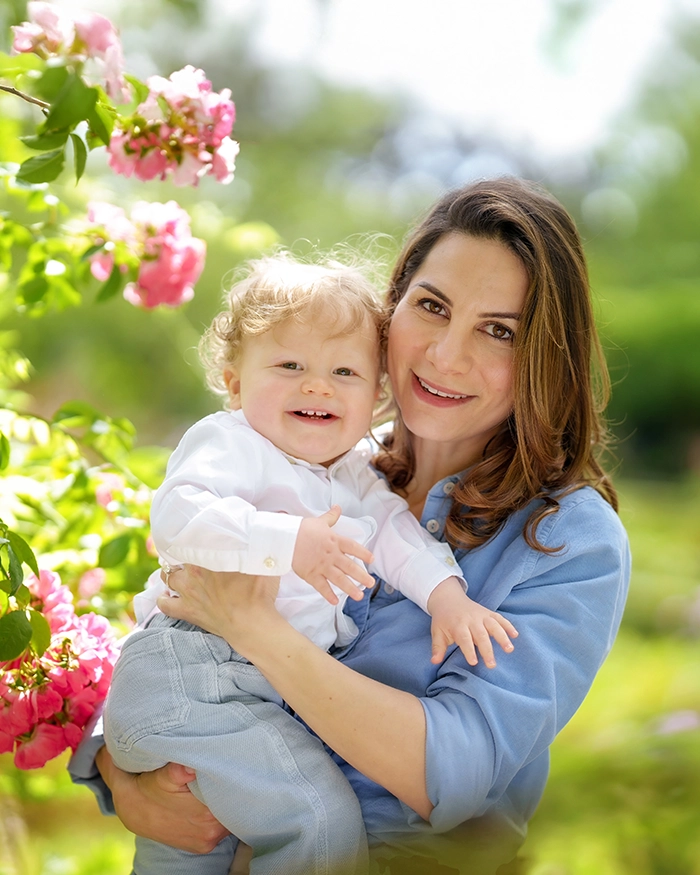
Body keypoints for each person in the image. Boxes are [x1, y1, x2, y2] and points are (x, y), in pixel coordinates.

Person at [70, 177, 631, 874]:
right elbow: (178, 608)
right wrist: (123, 773)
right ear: (388, 312)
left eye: (498, 330)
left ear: (544, 354)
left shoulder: (569, 539)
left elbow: (451, 775)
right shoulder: (316, 454)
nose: (446, 355)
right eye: (432, 306)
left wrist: (259, 632)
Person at [101, 254, 518, 875]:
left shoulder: (353, 473)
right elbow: (180, 516)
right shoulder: (232, 443)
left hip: (249, 689)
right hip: (196, 670)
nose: (317, 386)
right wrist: (285, 539)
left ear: (376, 397)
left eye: (343, 371)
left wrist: (446, 596)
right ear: (235, 381)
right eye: (289, 365)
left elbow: (397, 537)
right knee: (316, 819)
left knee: (191, 845)